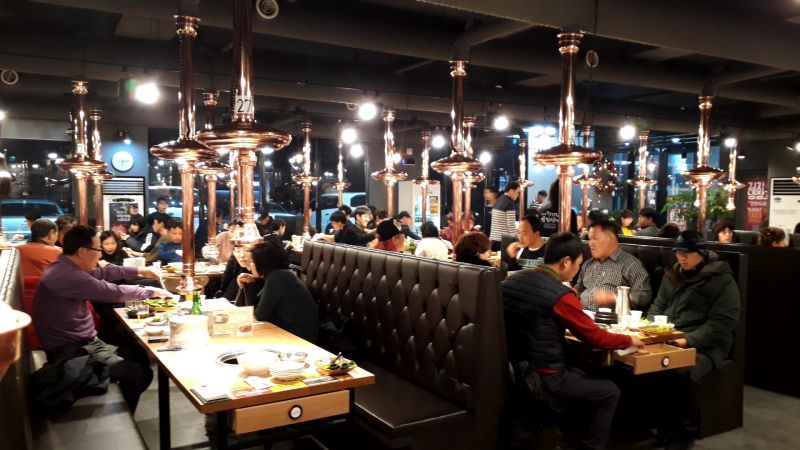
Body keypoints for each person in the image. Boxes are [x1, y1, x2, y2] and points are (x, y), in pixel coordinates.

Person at [503, 232, 644, 450]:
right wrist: (629, 340)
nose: (578, 270)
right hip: (544, 377)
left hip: (513, 370)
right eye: (578, 265)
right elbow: (594, 337)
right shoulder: (559, 294)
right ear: (565, 262)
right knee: (610, 391)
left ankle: (569, 437)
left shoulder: (512, 280)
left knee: (584, 370)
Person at [32, 225, 170, 411]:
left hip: (82, 344)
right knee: (141, 374)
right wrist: (151, 291)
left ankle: (120, 407)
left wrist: (139, 270)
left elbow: (103, 273)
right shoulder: (67, 275)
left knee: (136, 353)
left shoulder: (62, 266)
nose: (99, 255)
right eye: (97, 249)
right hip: (70, 354)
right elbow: (113, 292)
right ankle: (121, 417)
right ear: (82, 251)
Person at [646, 230, 740, 446]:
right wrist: (653, 331)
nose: (681, 257)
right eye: (678, 253)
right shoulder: (672, 274)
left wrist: (687, 340)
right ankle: (661, 427)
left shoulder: (721, 280)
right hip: (669, 337)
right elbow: (657, 307)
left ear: (702, 253)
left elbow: (722, 324)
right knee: (644, 367)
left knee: (681, 371)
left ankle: (684, 433)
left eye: (687, 253)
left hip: (708, 347)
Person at [237, 241, 319, 342]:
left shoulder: (278, 277)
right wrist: (251, 283)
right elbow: (255, 309)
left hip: (298, 338)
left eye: (252, 261)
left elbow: (259, 315)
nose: (249, 266)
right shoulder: (278, 275)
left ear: (263, 262)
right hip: (289, 332)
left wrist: (250, 285)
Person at [576, 220, 651, 311]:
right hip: (581, 313)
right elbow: (580, 287)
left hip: (610, 318)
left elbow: (644, 296)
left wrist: (614, 298)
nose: (590, 243)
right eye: (589, 239)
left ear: (610, 239)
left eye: (595, 239)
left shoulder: (630, 264)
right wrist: (572, 291)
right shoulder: (588, 263)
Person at [489, 181, 520, 248]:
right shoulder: (509, 203)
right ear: (511, 191)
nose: (518, 195)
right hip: (504, 241)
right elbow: (511, 225)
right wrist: (517, 239)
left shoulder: (498, 200)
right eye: (517, 192)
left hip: (494, 240)